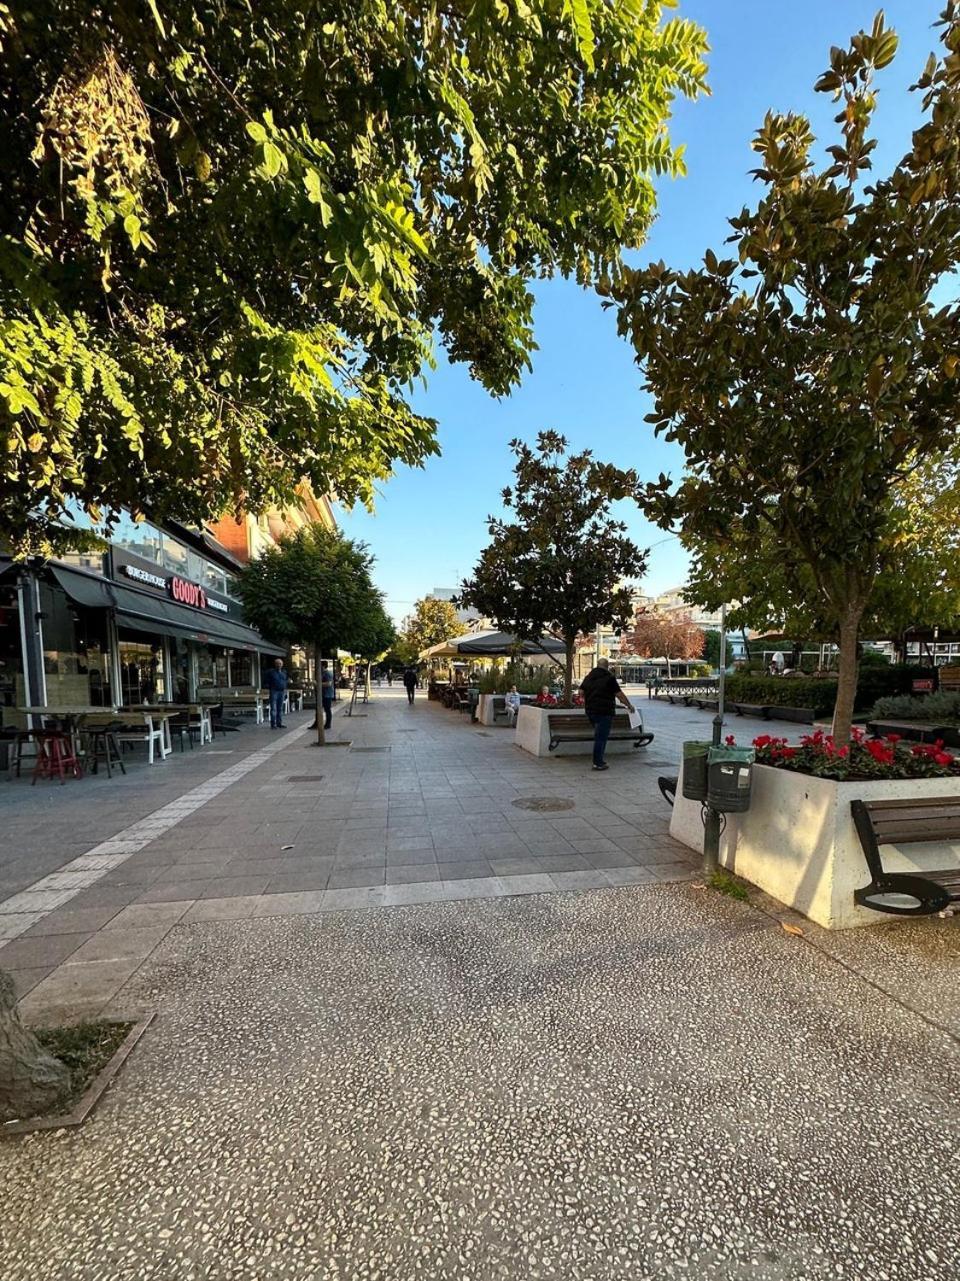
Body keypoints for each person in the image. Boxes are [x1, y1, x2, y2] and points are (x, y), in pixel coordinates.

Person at [578, 657, 635, 771]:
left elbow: (580, 692)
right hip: (604, 712)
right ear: (607, 666)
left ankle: (599, 760)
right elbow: (619, 695)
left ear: (597, 665)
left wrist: (588, 698)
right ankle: (598, 763)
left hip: (590, 711)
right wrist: (629, 705)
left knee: (599, 736)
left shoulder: (588, 677)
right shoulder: (609, 678)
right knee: (601, 738)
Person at [264, 657, 288, 729]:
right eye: (277, 664)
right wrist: (270, 686)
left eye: (280, 664)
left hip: (281, 691)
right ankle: (273, 724)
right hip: (274, 691)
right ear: (275, 664)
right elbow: (266, 681)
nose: (279, 665)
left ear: (282, 664)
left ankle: (279, 723)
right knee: (273, 708)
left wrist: (285, 685)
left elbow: (285, 680)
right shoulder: (271, 672)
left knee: (280, 708)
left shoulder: (284, 672)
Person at [320, 660, 335, 729]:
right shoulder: (324, 673)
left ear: (323, 666)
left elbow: (329, 683)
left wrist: (318, 684)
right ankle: (326, 724)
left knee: (327, 709)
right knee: (326, 709)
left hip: (327, 694)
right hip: (325, 694)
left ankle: (328, 724)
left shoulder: (327, 673)